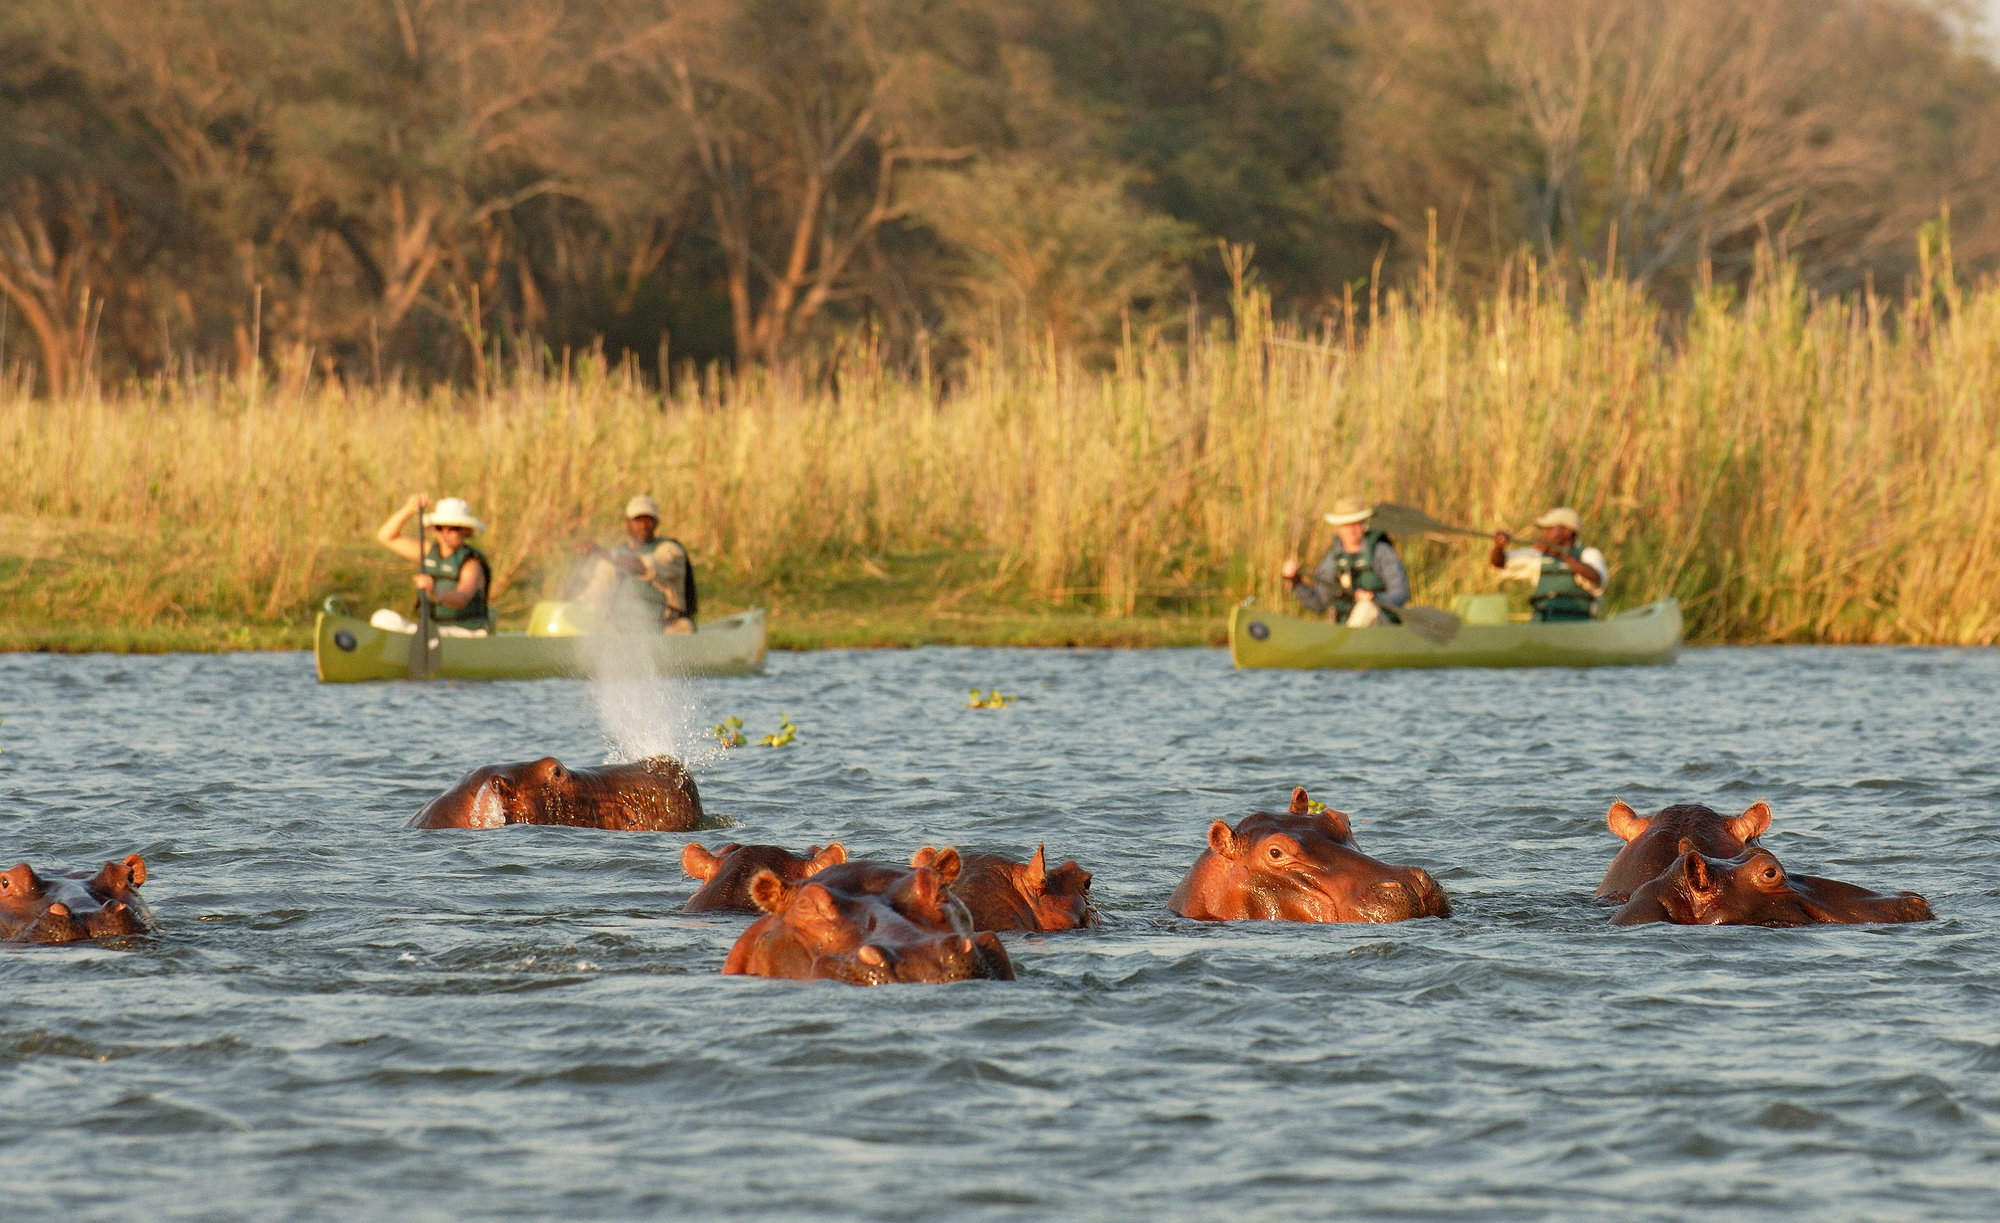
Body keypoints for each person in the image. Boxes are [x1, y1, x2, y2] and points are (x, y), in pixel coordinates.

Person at [573, 494, 697, 634]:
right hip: (624, 627)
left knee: (683, 629)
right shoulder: (614, 557)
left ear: (656, 523)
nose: (644, 526)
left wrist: (601, 552)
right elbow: (596, 591)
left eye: (649, 520)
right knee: (597, 632)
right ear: (627, 523)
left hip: (665, 626)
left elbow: (643, 566)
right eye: (638, 520)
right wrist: (574, 608)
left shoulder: (670, 551)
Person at [371, 493, 493, 635]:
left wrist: (435, 592)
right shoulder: (428, 551)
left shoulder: (472, 563)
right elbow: (386, 537)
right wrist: (409, 509)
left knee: (422, 632)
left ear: (465, 531)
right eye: (440, 527)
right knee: (381, 617)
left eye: (453, 528)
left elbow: (462, 598)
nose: (445, 533)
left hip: (465, 632)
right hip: (433, 629)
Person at [1279, 497, 1409, 626]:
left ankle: (1346, 642)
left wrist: (1375, 598)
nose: (1351, 530)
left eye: (1355, 524)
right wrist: (1296, 582)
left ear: (1363, 524)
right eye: (1346, 525)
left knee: (1366, 607)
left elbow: (1401, 593)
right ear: (1338, 527)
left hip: (1382, 626)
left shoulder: (1381, 551)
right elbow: (1318, 604)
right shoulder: (1332, 559)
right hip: (1346, 630)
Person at [1489, 506, 1608, 621]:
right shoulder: (1538, 555)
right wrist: (1499, 547)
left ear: (1567, 531)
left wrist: (1560, 555)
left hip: (1577, 628)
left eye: (1550, 528)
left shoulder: (1588, 554)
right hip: (1543, 626)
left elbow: (1596, 578)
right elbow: (1500, 563)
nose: (1545, 533)